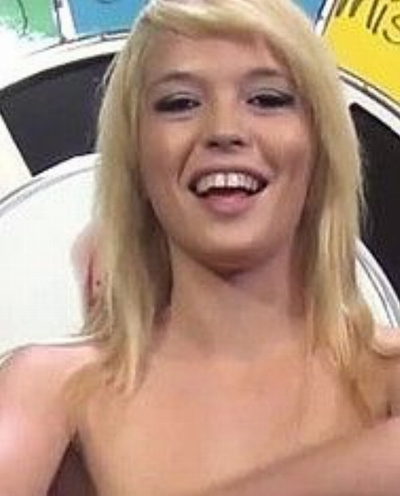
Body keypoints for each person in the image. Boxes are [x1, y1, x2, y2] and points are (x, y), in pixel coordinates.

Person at [1, 0, 400, 495]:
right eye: (180, 103)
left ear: (320, 145)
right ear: (136, 155)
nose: (224, 131)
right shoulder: (50, 390)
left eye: (267, 99)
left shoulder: (389, 373)